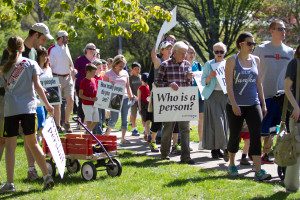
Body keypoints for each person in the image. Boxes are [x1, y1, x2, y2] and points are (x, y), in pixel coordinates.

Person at [0, 36, 54, 193]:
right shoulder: (31, 63)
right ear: (22, 48)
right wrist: (49, 105)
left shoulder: (4, 68)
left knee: (10, 147)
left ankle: (10, 183)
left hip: (11, 110)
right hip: (29, 109)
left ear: (8, 49)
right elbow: (37, 86)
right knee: (33, 143)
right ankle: (47, 177)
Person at [225, 32, 271, 181]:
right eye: (250, 43)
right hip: (236, 105)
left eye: (254, 44)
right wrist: (234, 104)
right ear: (241, 44)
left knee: (256, 135)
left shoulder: (256, 60)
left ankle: (258, 170)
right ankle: (232, 164)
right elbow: (229, 86)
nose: (252, 46)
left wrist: (263, 104)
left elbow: (259, 84)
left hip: (253, 104)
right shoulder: (232, 61)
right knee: (235, 134)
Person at [253, 19, 294, 164]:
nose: (283, 32)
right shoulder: (261, 49)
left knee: (275, 127)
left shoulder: (290, 52)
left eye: (284, 29)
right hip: (263, 95)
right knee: (260, 127)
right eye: (280, 29)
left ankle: (267, 153)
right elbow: (253, 71)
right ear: (271, 31)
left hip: (282, 97)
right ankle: (254, 153)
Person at [155, 41, 195, 164]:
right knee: (168, 128)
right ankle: (164, 154)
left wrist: (189, 79)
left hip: (183, 102)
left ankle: (186, 157)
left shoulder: (187, 64)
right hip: (169, 103)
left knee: (185, 129)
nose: (184, 55)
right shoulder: (165, 65)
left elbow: (189, 85)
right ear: (174, 52)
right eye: (182, 53)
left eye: (186, 53)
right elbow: (157, 82)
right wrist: (169, 85)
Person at [201, 42, 228, 159]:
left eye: (221, 51)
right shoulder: (208, 64)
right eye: (216, 51)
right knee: (216, 122)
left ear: (225, 52)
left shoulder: (228, 64)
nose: (219, 54)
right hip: (211, 96)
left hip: (225, 96)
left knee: (224, 123)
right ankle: (223, 147)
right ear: (213, 52)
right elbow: (203, 82)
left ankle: (217, 149)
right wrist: (210, 76)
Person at [49, 30, 75, 133]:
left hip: (68, 77)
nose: (67, 39)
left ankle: (66, 122)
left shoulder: (66, 48)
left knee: (71, 100)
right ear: (61, 37)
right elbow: (50, 66)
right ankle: (57, 125)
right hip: (56, 77)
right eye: (66, 37)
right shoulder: (52, 49)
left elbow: (69, 63)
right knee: (57, 103)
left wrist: (72, 70)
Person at [103, 55, 133, 144]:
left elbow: (127, 86)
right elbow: (104, 87)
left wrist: (131, 95)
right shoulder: (108, 74)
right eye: (120, 66)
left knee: (125, 119)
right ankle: (106, 136)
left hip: (125, 98)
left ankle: (123, 139)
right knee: (114, 119)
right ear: (115, 64)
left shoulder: (125, 73)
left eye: (123, 66)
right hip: (115, 97)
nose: (122, 67)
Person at [283, 44, 300, 192]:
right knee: (296, 151)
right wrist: (296, 107)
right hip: (298, 115)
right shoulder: (295, 63)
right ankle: (291, 186)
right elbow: (286, 87)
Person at [186, 45, 204, 150]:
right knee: (186, 120)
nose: (191, 54)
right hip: (187, 96)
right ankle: (186, 142)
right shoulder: (183, 65)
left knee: (201, 119)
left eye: (193, 52)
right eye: (189, 52)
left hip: (199, 95)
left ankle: (201, 142)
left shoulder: (198, 65)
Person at [74, 43, 97, 126]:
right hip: (81, 84)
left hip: (93, 85)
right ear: (86, 49)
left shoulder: (96, 60)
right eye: (90, 48)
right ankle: (81, 121)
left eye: (94, 49)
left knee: (93, 104)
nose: (92, 50)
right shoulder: (80, 59)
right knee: (82, 102)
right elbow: (74, 72)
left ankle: (90, 122)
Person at [36, 47, 53, 142]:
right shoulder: (35, 68)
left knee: (45, 115)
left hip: (47, 97)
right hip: (37, 97)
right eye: (42, 55)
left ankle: (40, 134)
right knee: (41, 115)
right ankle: (39, 135)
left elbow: (51, 82)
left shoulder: (48, 69)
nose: (45, 57)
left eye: (46, 55)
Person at [79, 64, 99, 132]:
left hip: (95, 104)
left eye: (95, 72)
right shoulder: (83, 81)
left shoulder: (94, 80)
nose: (94, 74)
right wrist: (90, 99)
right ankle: (89, 134)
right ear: (88, 72)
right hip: (87, 104)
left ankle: (88, 132)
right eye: (93, 72)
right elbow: (80, 95)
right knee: (89, 121)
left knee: (96, 120)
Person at [129, 62, 142, 136]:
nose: (137, 70)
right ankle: (134, 129)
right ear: (132, 69)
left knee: (143, 114)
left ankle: (145, 129)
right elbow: (129, 88)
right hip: (133, 99)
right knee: (134, 114)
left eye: (138, 69)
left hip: (141, 99)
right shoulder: (130, 78)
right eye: (135, 69)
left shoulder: (141, 77)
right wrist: (133, 96)